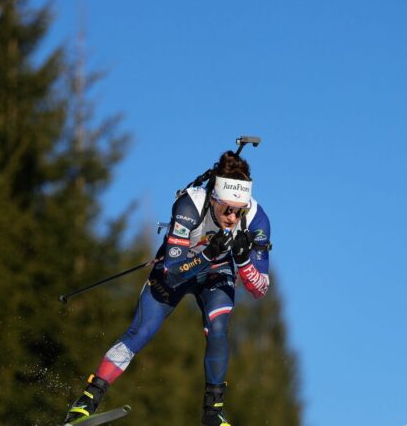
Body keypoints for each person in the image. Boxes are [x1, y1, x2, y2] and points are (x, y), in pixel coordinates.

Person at [62, 151, 272, 426]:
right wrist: (207, 254)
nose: (233, 218)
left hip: (217, 273)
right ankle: (86, 402)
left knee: (218, 328)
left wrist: (243, 260)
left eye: (238, 211)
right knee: (141, 331)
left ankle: (213, 413)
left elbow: (259, 289)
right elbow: (172, 275)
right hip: (179, 267)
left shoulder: (256, 219)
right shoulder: (190, 206)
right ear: (213, 200)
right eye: (226, 210)